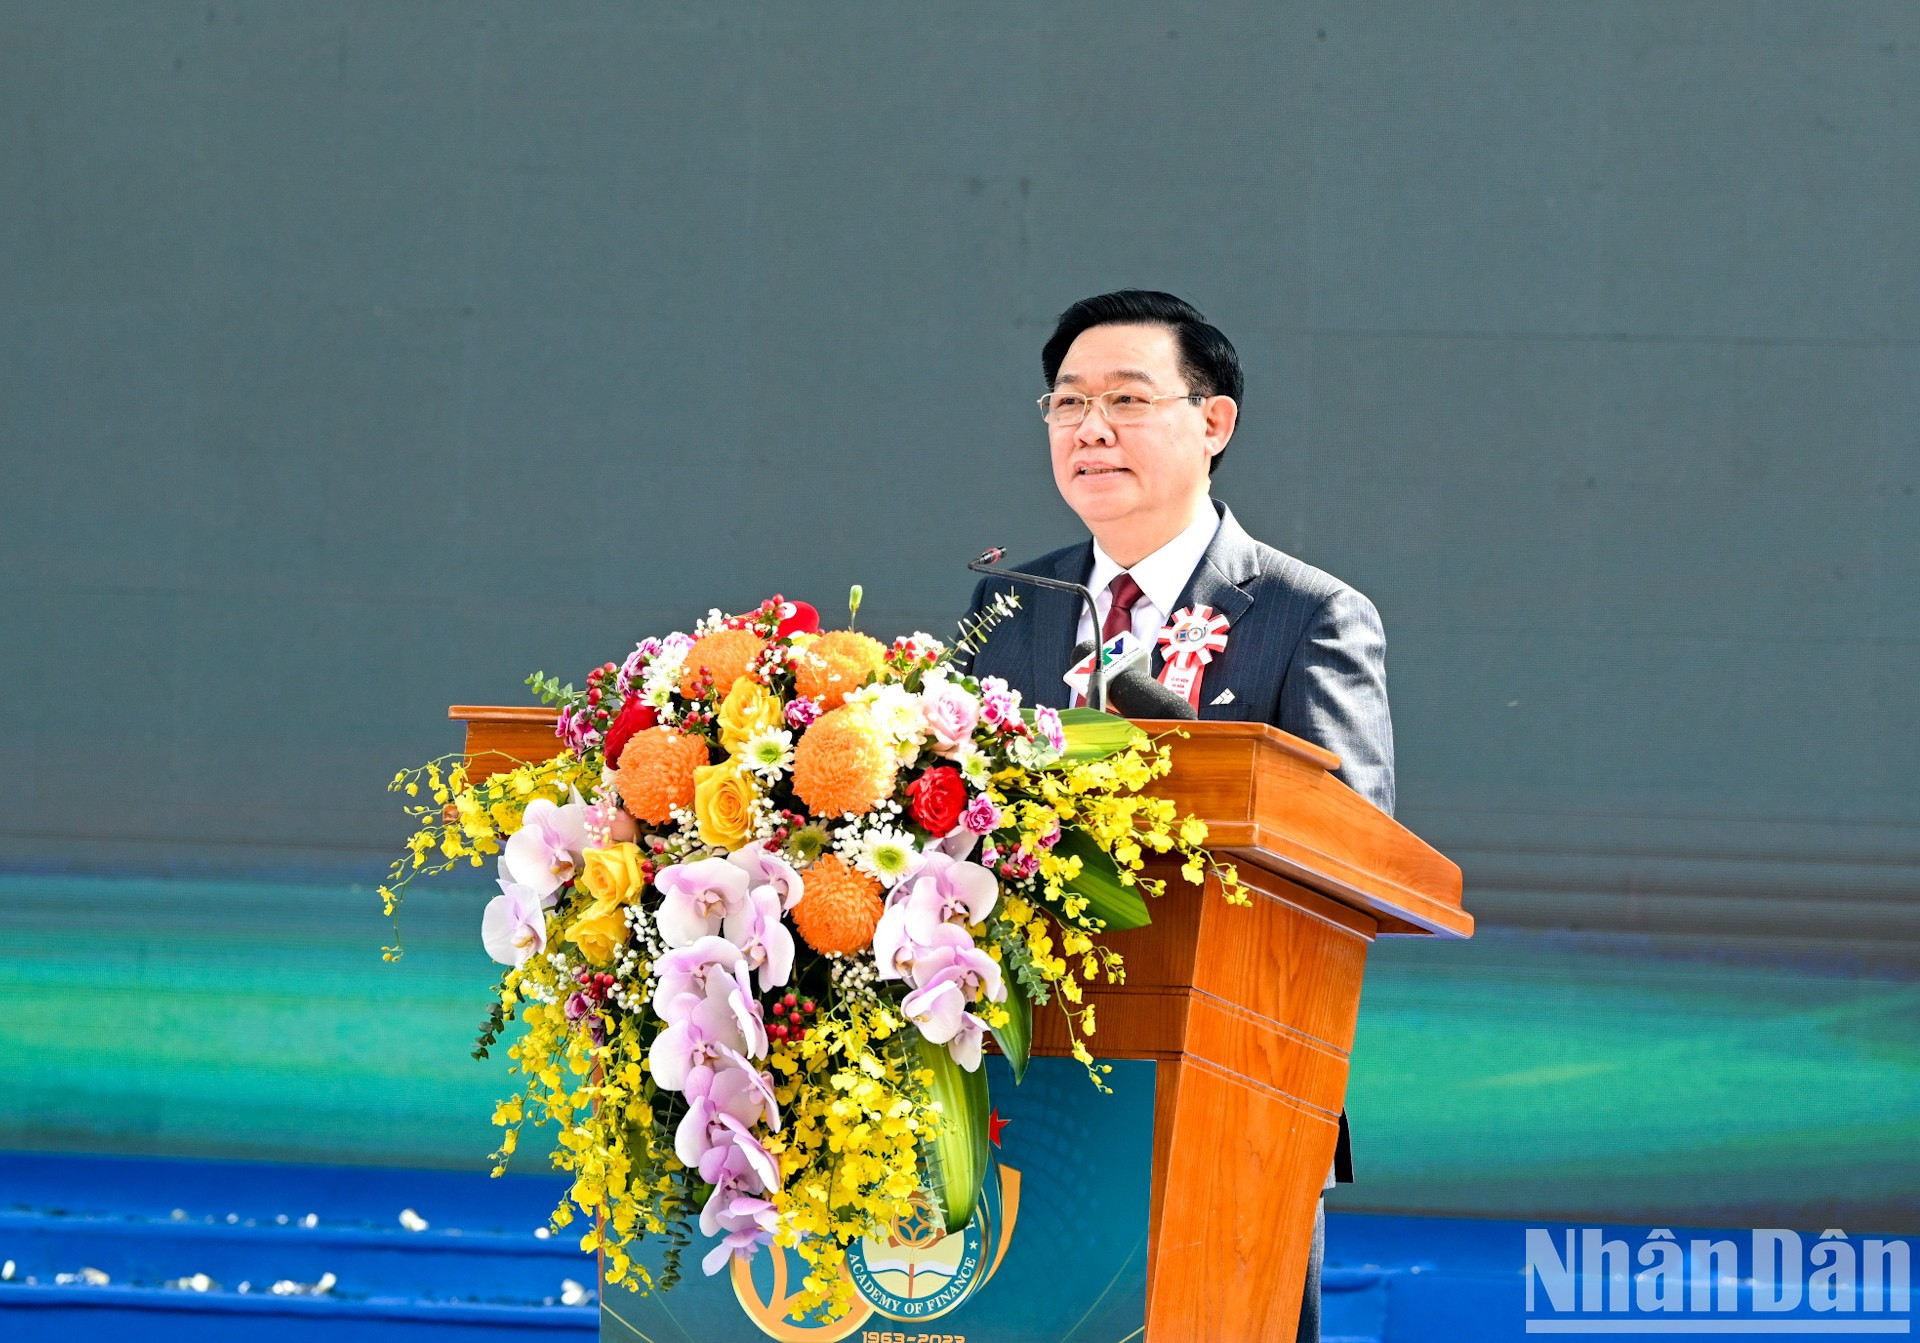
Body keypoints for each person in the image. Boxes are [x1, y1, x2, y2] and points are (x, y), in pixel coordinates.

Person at [960, 289, 1396, 1343]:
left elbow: (1356, 844)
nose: (1089, 428)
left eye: (1125, 399)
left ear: (1214, 421)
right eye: (1066, 404)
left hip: (1227, 1083)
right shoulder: (1009, 604)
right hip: (1032, 1093)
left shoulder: (1306, 612)